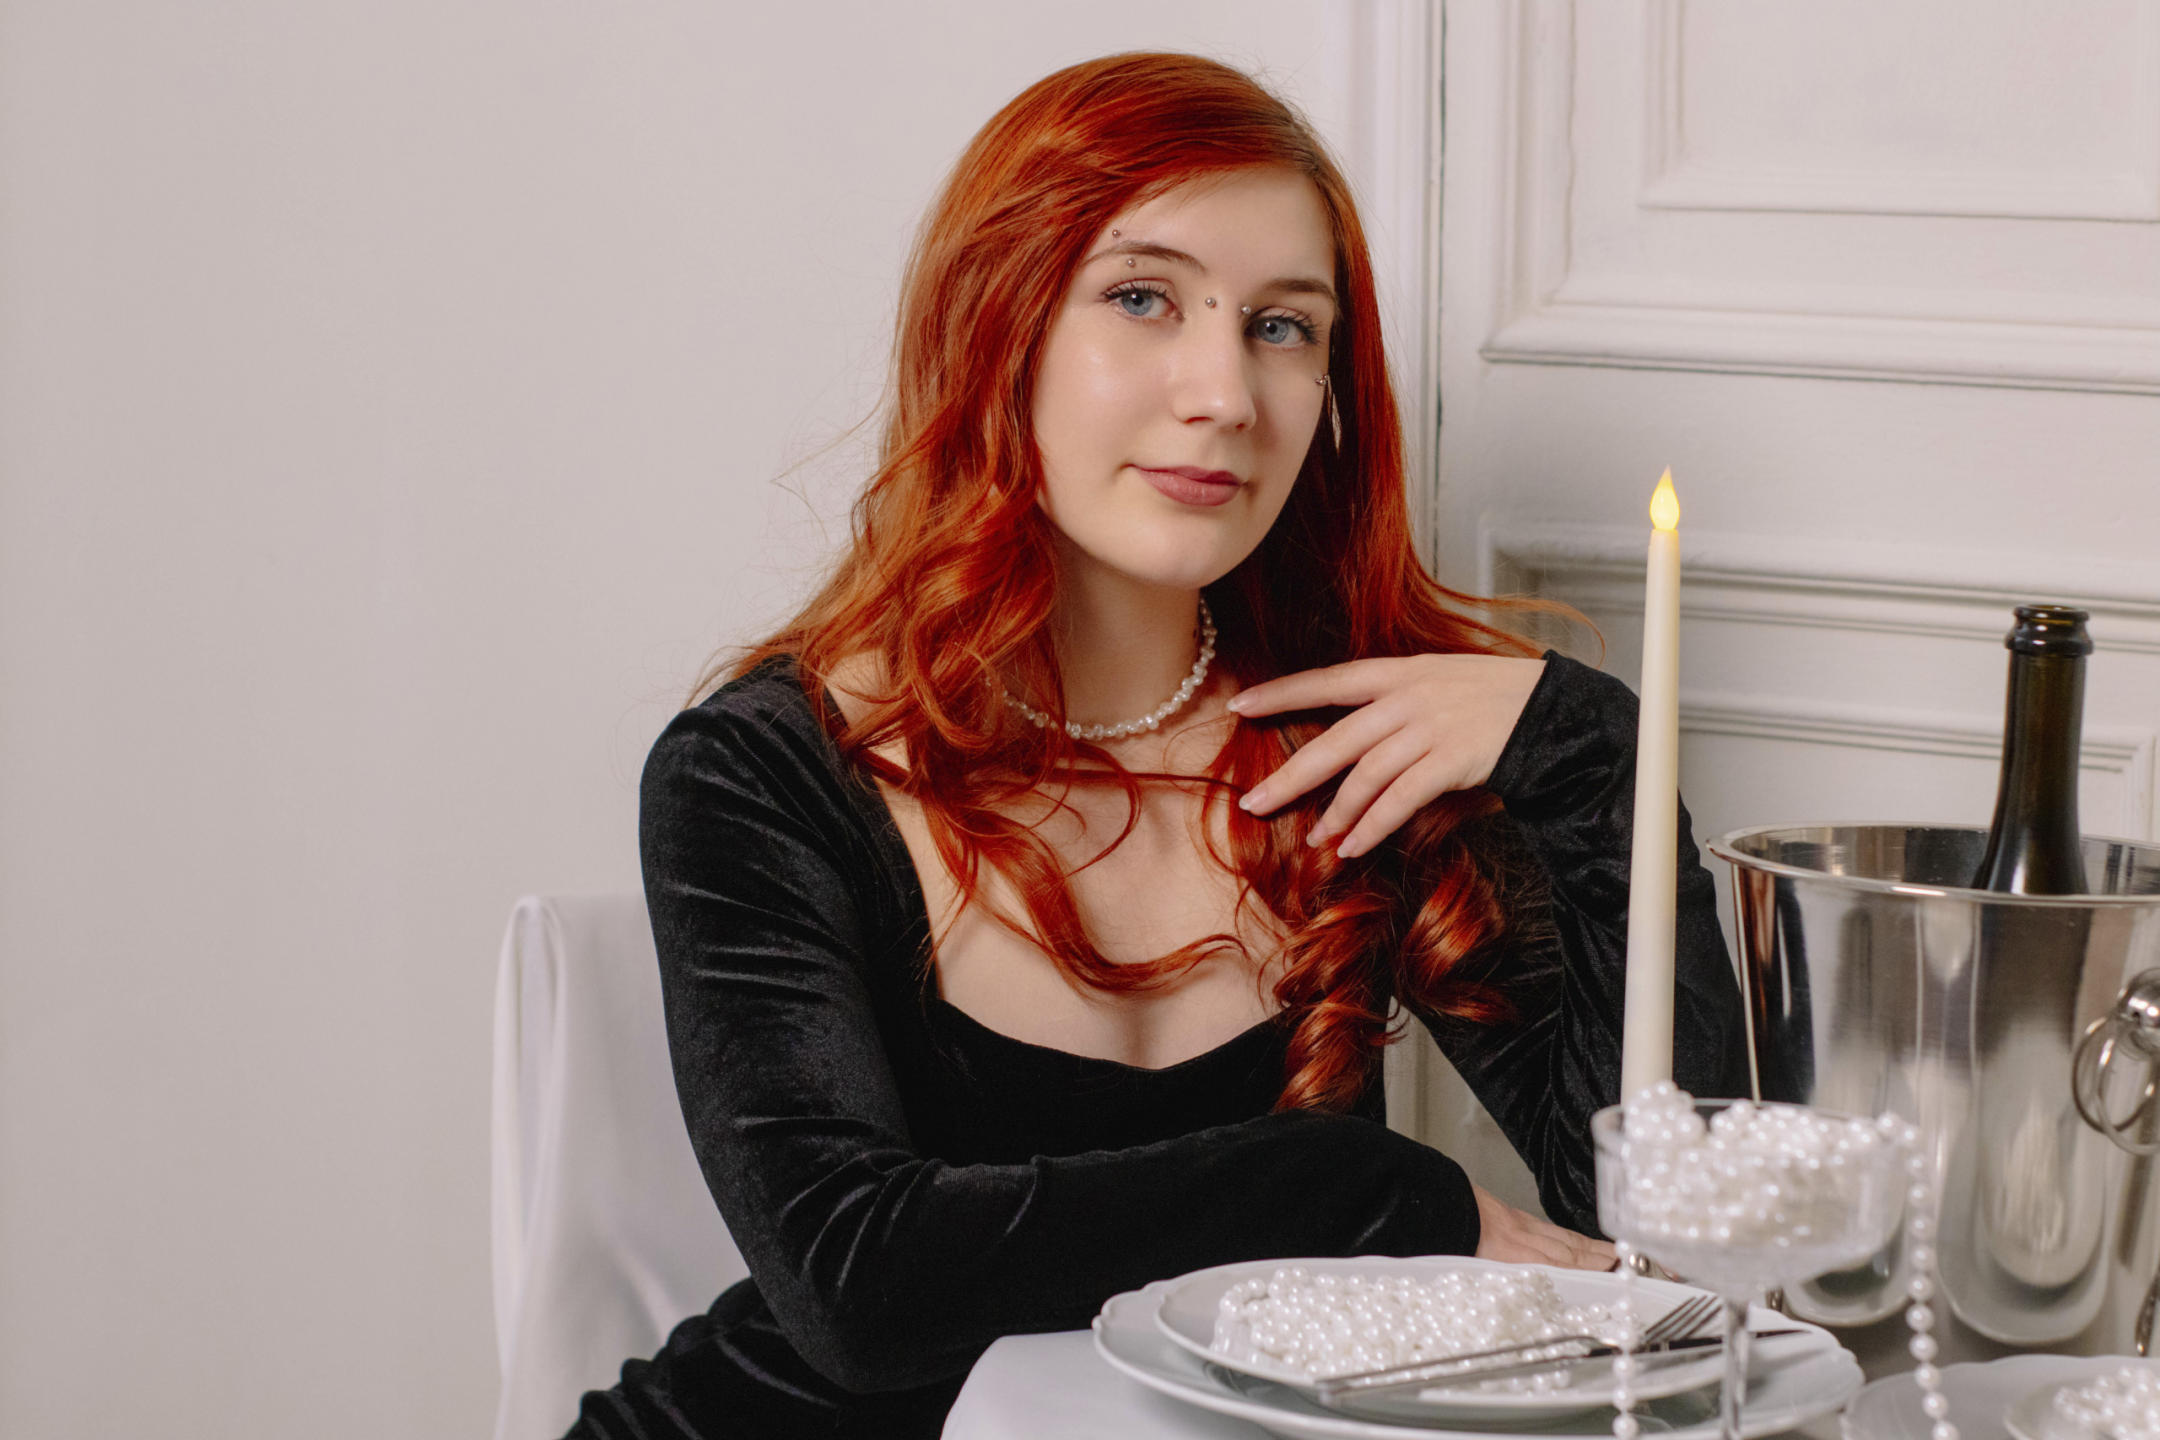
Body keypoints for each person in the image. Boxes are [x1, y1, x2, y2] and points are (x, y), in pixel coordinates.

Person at [569, 51, 1748, 1440]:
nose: (1226, 394)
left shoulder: (1359, 752)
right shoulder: (762, 772)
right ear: (998, 324)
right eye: (1143, 298)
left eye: (1283, 326)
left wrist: (1592, 753)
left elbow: (1680, 1235)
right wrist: (1358, 1191)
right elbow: (860, 1286)